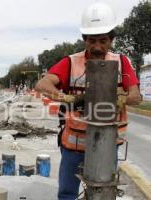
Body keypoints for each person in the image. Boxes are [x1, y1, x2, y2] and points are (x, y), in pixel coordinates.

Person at [35, 2, 141, 200]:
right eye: (92, 41)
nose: (97, 46)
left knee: (103, 191)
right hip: (74, 146)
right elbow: (42, 85)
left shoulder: (121, 62)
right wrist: (69, 98)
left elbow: (136, 96)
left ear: (111, 39)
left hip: (107, 145)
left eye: (103, 40)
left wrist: (120, 100)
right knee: (67, 193)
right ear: (85, 39)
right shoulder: (70, 62)